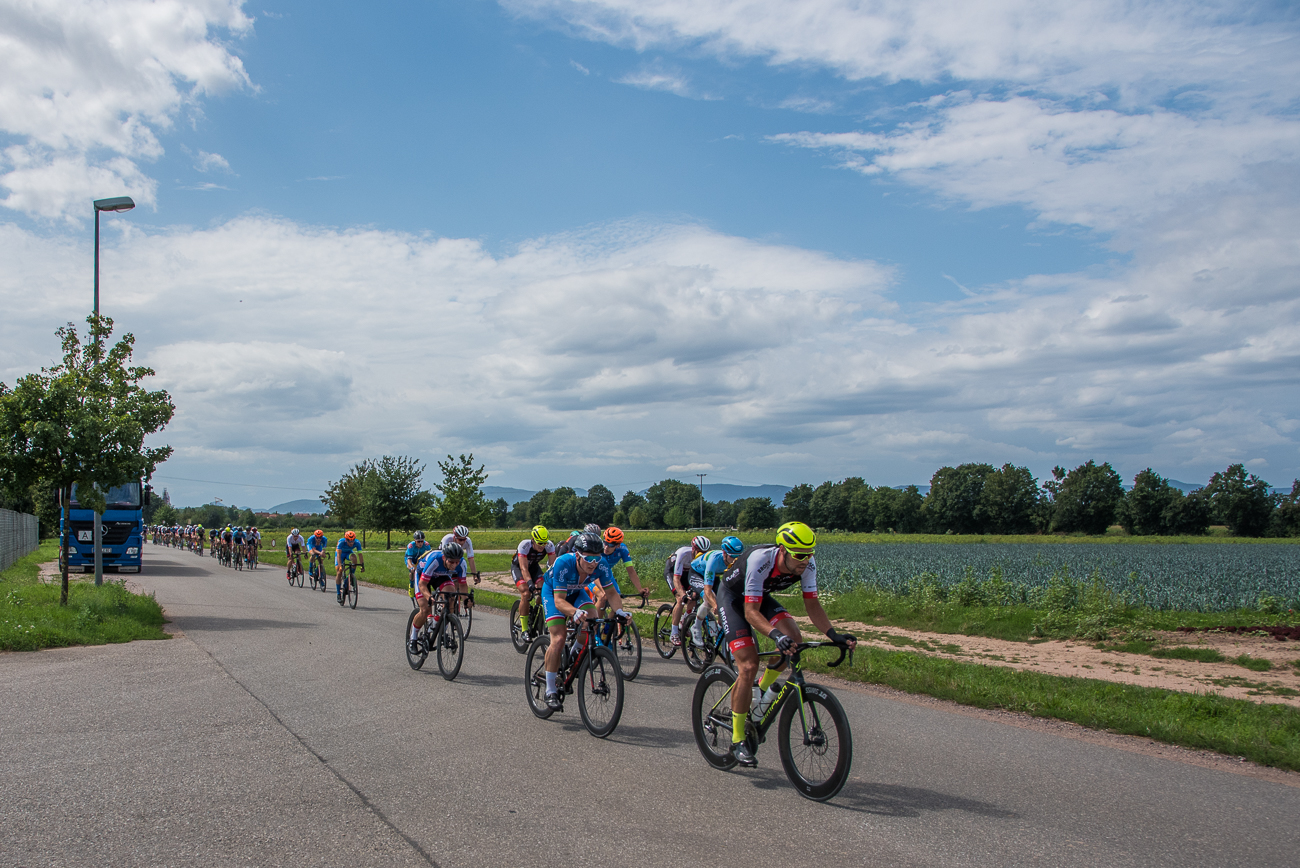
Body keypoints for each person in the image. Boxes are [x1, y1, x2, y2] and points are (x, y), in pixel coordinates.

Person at [715, 522, 856, 767]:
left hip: (760, 595)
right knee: (748, 665)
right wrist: (775, 635)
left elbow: (813, 605)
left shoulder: (807, 564)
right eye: (800, 554)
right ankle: (738, 739)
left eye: (810, 553)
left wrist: (834, 635)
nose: (806, 560)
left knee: (795, 638)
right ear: (782, 550)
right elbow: (750, 612)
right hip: (733, 599)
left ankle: (760, 688)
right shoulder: (761, 560)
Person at [539, 533, 631, 710]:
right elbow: (559, 601)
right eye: (588, 558)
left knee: (593, 617)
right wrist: (574, 612)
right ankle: (550, 690)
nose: (593, 563)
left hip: (576, 592)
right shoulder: (563, 563)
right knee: (558, 638)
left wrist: (619, 611)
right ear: (578, 555)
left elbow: (611, 593)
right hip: (554, 593)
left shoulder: (600, 565)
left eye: (597, 559)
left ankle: (575, 654)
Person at [409, 540, 467, 652]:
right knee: (425, 608)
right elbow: (422, 584)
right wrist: (428, 597)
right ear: (444, 558)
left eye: (457, 562)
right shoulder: (435, 559)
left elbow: (463, 584)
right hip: (423, 576)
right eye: (452, 562)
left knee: (451, 598)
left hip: (441, 576)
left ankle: (440, 629)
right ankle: (413, 638)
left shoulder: (462, 563)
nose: (455, 565)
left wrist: (466, 600)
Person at [687, 535, 743, 644]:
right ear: (724, 554)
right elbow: (707, 590)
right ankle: (696, 627)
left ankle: (720, 639)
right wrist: (715, 605)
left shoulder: (736, 561)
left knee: (725, 603)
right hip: (697, 574)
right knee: (709, 600)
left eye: (738, 557)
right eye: (732, 557)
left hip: (715, 575)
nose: (735, 561)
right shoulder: (714, 560)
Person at [666, 535, 712, 645]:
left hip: (688, 574)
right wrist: (682, 594)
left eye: (705, 552)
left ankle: (684, 620)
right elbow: (676, 579)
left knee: (694, 597)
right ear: (693, 549)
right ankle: (674, 633)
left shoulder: (706, 558)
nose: (702, 554)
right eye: (700, 551)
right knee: (681, 599)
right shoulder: (683, 554)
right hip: (673, 572)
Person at [513, 526, 556, 638]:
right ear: (533, 539)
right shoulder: (524, 545)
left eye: (544, 543)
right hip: (519, 568)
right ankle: (524, 630)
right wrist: (530, 583)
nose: (542, 546)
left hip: (534, 568)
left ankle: (536, 611)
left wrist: (553, 583)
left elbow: (552, 567)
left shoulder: (550, 545)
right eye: (539, 543)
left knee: (544, 589)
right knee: (526, 592)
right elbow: (523, 568)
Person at [405, 531, 435, 602]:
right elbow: (409, 560)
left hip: (420, 559)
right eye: (418, 541)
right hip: (411, 559)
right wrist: (411, 567)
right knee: (413, 571)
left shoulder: (426, 545)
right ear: (415, 540)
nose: (420, 543)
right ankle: (411, 586)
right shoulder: (411, 546)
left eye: (422, 541)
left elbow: (429, 557)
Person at [335, 530, 364, 599]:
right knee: (339, 572)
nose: (351, 543)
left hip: (348, 553)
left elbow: (360, 554)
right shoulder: (341, 542)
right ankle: (338, 593)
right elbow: (338, 555)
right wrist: (340, 565)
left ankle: (351, 576)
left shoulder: (357, 542)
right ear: (346, 539)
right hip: (340, 554)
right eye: (349, 541)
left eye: (352, 540)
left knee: (354, 557)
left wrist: (362, 565)